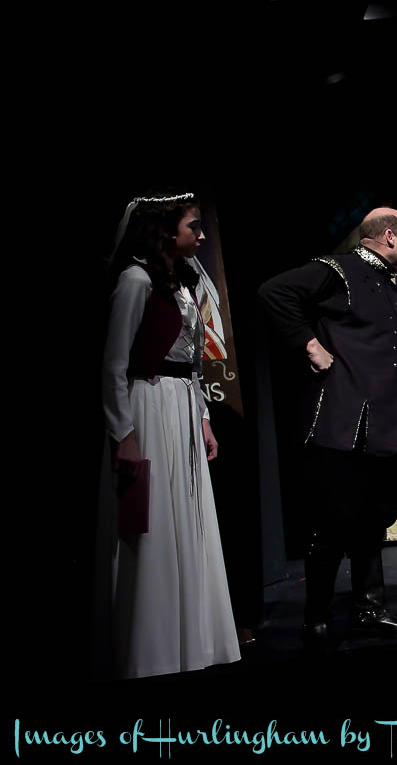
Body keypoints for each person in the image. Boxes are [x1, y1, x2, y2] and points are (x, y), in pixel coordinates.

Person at [258, 207, 397, 645]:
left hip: (383, 426)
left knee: (373, 522)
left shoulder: (388, 285)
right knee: (333, 524)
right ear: (388, 236)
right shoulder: (338, 271)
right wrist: (310, 344)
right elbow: (275, 292)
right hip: (346, 424)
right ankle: (316, 617)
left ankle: (369, 608)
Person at [98, 191, 240, 679]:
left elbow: (193, 363)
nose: (201, 235)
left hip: (181, 405)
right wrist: (124, 432)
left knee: (189, 518)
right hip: (149, 404)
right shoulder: (136, 281)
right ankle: (152, 650)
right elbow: (114, 365)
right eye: (192, 226)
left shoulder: (180, 283)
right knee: (155, 520)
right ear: (164, 230)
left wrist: (203, 417)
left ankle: (195, 641)